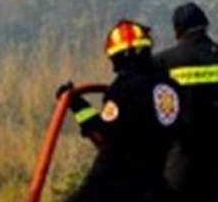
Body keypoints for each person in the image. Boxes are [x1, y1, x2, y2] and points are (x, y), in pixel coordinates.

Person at [57, 19, 181, 202]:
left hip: (115, 179)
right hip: (154, 180)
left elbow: (104, 138)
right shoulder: (170, 88)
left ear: (116, 57)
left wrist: (77, 104)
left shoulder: (122, 89)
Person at [154, 2, 218, 202]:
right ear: (205, 25)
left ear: (178, 31)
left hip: (182, 151)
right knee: (210, 191)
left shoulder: (162, 62)